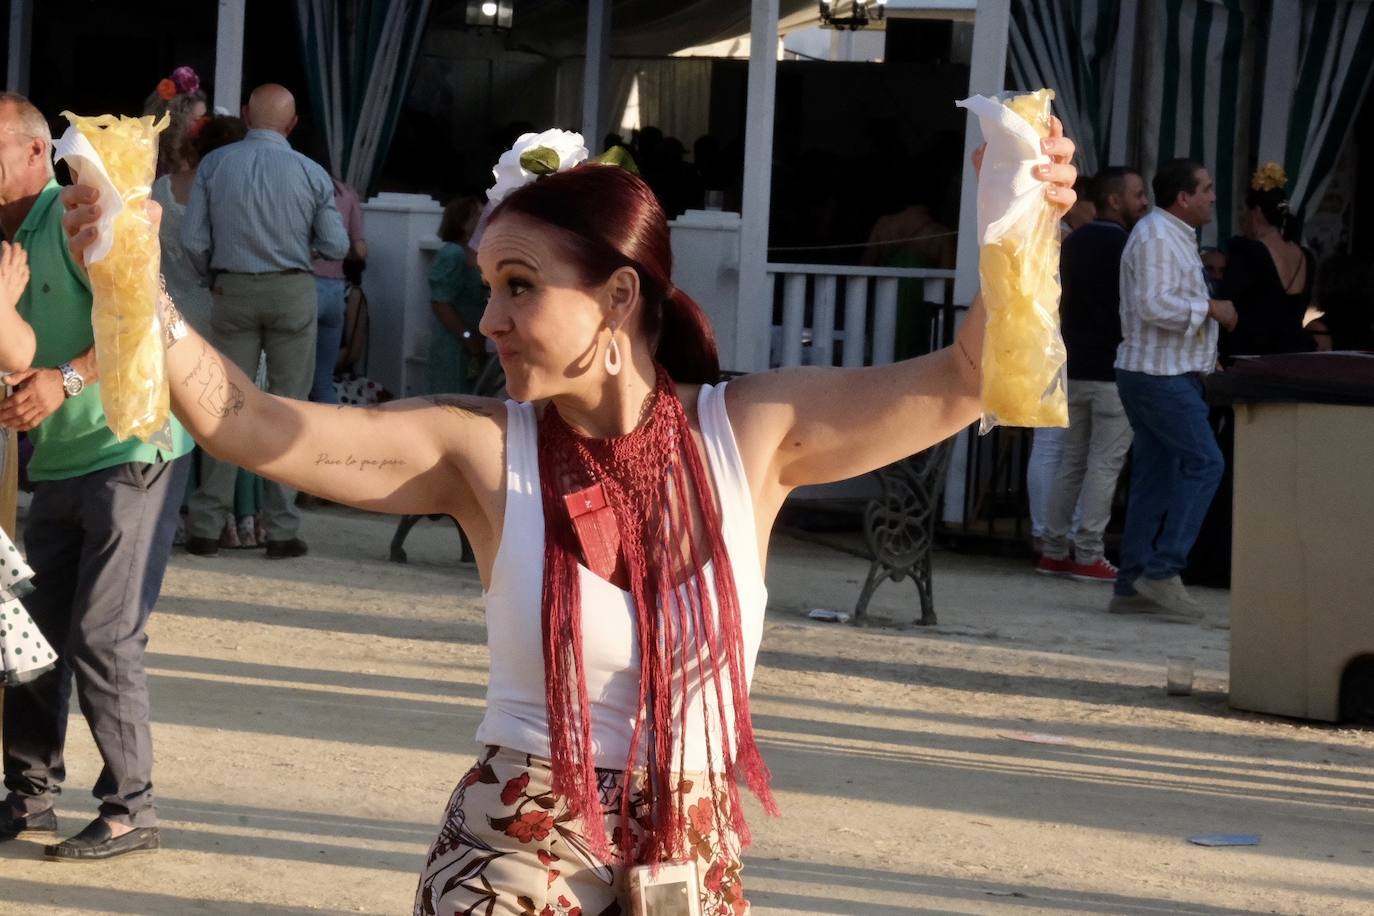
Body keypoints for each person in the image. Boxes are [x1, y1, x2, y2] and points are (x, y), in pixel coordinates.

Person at [61, 125, 1078, 910]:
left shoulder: (754, 432)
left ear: (619, 298)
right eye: (487, 286)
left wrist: (1020, 209)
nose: (490, 318)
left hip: (694, 840)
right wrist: (130, 275)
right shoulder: (481, 451)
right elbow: (248, 421)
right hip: (518, 843)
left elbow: (974, 375)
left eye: (519, 288)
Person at [0, 91, 193, 860]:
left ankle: (130, 809)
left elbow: (142, 319)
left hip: (133, 450)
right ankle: (30, 795)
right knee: (31, 635)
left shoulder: (82, 211)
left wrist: (63, 383)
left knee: (102, 637)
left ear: (34, 154)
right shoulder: (9, 239)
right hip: (61, 460)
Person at [180, 83, 349, 559]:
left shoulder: (216, 165)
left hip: (232, 288)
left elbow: (194, 240)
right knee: (289, 410)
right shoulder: (312, 172)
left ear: (249, 118)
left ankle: (207, 524)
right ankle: (281, 528)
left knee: (226, 404)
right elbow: (336, 246)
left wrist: (210, 273)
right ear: (292, 125)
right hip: (292, 290)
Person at [1110, 158, 1236, 620]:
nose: (1212, 197)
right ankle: (1162, 572)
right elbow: (1154, 306)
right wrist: (1212, 309)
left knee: (1154, 476)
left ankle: (1131, 584)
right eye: (1206, 188)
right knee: (1205, 463)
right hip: (1158, 375)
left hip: (1158, 371)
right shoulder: (1159, 236)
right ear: (1183, 197)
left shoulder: (1166, 234)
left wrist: (1206, 351)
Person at [1037, 167, 1150, 582]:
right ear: (1115, 200)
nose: (1144, 201)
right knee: (1104, 464)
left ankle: (1053, 549)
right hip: (1111, 369)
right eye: (1137, 194)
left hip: (1073, 365)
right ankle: (1087, 553)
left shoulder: (1075, 240)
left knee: (1071, 460)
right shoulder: (1128, 245)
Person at [1218, 163, 1316, 359]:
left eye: (1244, 208)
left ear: (1257, 212)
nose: (1242, 216)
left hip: (1252, 359)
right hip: (1293, 355)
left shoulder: (1249, 252)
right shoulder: (1306, 257)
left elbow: (1225, 302)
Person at [310, 178, 367, 404]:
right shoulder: (347, 192)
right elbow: (360, 250)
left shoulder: (302, 183)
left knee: (295, 378)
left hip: (306, 284)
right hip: (335, 290)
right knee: (323, 381)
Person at [425, 196, 487, 395]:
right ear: (463, 221)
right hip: (455, 349)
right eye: (478, 214)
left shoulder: (472, 253)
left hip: (471, 347)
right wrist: (469, 339)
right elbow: (440, 304)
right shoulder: (453, 253)